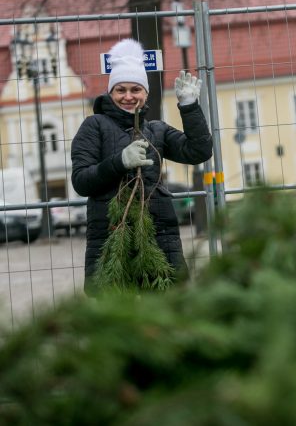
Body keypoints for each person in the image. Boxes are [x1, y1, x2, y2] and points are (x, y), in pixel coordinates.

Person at [71, 38, 213, 293]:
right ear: (110, 92)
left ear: (145, 93)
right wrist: (119, 162)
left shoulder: (156, 130)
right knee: (118, 319)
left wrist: (189, 107)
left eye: (135, 89)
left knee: (166, 312)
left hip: (159, 238)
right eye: (120, 90)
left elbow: (197, 151)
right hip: (113, 236)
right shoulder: (94, 126)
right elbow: (81, 180)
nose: (128, 96)